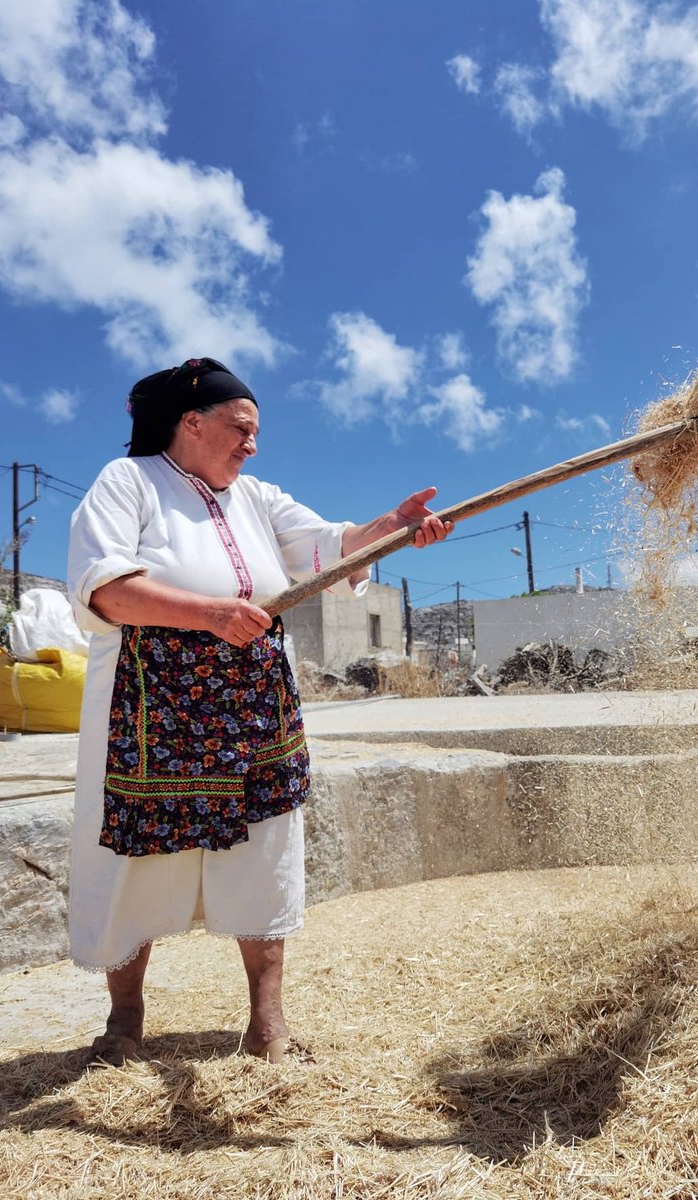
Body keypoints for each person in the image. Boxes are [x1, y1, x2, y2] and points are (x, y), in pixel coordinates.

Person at [67, 357, 452, 1065]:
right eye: (241, 428)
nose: (252, 445)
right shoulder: (128, 483)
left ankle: (267, 1026)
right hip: (154, 707)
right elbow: (106, 590)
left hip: (253, 702)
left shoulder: (256, 499)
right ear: (192, 423)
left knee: (264, 849)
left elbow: (330, 550)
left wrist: (394, 528)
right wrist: (209, 614)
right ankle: (124, 1022)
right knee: (137, 856)